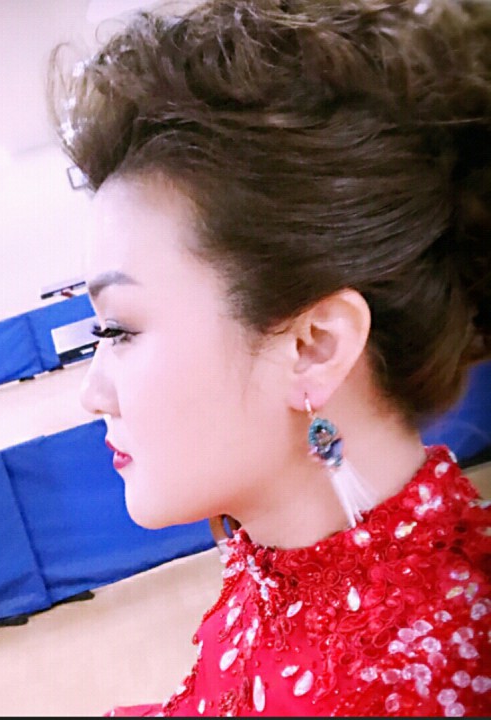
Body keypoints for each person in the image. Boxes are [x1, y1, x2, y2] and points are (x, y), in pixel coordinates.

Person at [47, 0, 491, 715]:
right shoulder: (296, 561)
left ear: (314, 346)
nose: (92, 393)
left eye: (119, 330)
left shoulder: (403, 690)